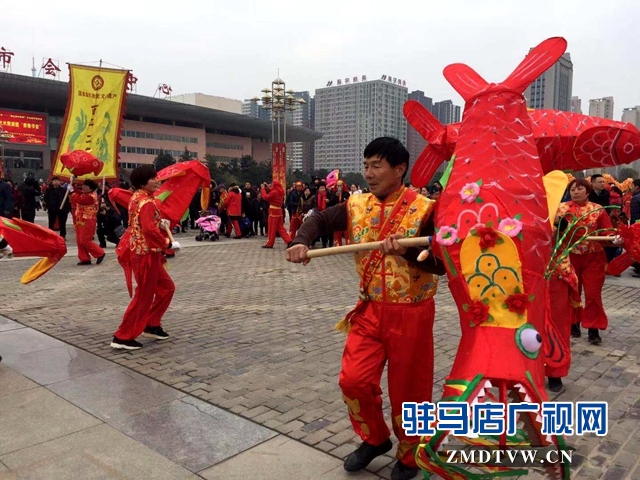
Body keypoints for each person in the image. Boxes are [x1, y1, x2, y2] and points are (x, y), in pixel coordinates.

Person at [286, 137, 445, 480]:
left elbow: (441, 265)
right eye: (366, 165)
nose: (369, 173)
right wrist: (301, 240)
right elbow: (320, 220)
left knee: (410, 390)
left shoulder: (426, 209)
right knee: (353, 380)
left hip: (412, 312)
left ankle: (409, 453)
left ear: (399, 169)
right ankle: (374, 439)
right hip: (370, 309)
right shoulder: (357, 205)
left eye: (377, 165)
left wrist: (404, 252)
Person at [112, 165, 179, 350]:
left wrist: (159, 221)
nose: (157, 181)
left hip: (148, 252)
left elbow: (145, 223)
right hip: (145, 254)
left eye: (157, 177)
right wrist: (167, 243)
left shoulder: (138, 197)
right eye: (153, 178)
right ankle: (122, 336)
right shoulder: (147, 202)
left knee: (166, 288)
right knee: (144, 295)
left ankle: (152, 323)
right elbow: (149, 230)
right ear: (143, 182)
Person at [556, 178, 622, 345]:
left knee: (593, 294)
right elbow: (554, 233)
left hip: (594, 258)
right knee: (572, 292)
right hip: (569, 257)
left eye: (579, 189)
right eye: (572, 189)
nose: (576, 192)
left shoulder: (597, 209)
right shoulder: (561, 209)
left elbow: (606, 233)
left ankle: (594, 329)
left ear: (588, 191)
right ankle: (573, 325)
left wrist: (614, 239)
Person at [69, 179, 106, 265]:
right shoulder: (85, 193)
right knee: (79, 239)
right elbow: (79, 193)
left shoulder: (91, 196)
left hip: (88, 220)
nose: (83, 187)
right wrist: (73, 184)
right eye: (83, 185)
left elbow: (79, 199)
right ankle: (84, 258)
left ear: (91, 188)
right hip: (80, 219)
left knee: (84, 240)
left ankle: (99, 253)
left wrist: (72, 192)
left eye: (86, 186)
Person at [261, 180, 291, 248]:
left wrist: (263, 189)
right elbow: (272, 190)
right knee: (281, 228)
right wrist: (267, 187)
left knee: (271, 229)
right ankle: (289, 241)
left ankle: (270, 243)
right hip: (279, 211)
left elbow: (265, 197)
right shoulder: (281, 191)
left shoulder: (274, 192)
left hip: (273, 212)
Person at [328, 180, 349, 246]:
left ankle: (348, 243)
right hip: (336, 214)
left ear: (343, 186)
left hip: (344, 214)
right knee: (337, 230)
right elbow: (330, 203)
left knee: (346, 230)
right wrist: (335, 196)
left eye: (340, 185)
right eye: (338, 185)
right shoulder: (333, 194)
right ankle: (338, 244)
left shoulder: (347, 194)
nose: (339, 187)